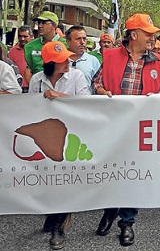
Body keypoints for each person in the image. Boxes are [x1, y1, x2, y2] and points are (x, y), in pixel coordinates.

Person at [92, 13, 160, 246]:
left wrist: (159, 96)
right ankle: (110, 209)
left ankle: (127, 222)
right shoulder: (110, 55)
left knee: (134, 173)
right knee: (113, 170)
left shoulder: (158, 59)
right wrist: (102, 91)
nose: (152, 37)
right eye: (148, 33)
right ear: (134, 34)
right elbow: (96, 83)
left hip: (142, 127)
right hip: (113, 125)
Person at [29, 40, 90, 249]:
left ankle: (59, 227)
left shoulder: (76, 76)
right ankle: (52, 213)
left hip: (72, 134)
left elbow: (87, 103)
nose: (66, 62)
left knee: (66, 179)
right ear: (48, 64)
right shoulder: (37, 80)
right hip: (46, 136)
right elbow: (29, 108)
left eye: (66, 58)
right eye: (60, 60)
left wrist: (61, 97)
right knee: (48, 178)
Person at [24, 11, 67, 83]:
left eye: (43, 23)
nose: (40, 26)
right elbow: (29, 69)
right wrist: (33, 88)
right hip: (38, 86)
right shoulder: (29, 46)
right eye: (39, 22)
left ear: (54, 25)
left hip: (61, 85)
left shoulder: (66, 44)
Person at [8, 25, 33, 92]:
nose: (22, 39)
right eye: (20, 36)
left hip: (33, 87)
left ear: (31, 37)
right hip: (17, 87)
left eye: (25, 36)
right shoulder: (12, 51)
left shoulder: (36, 49)